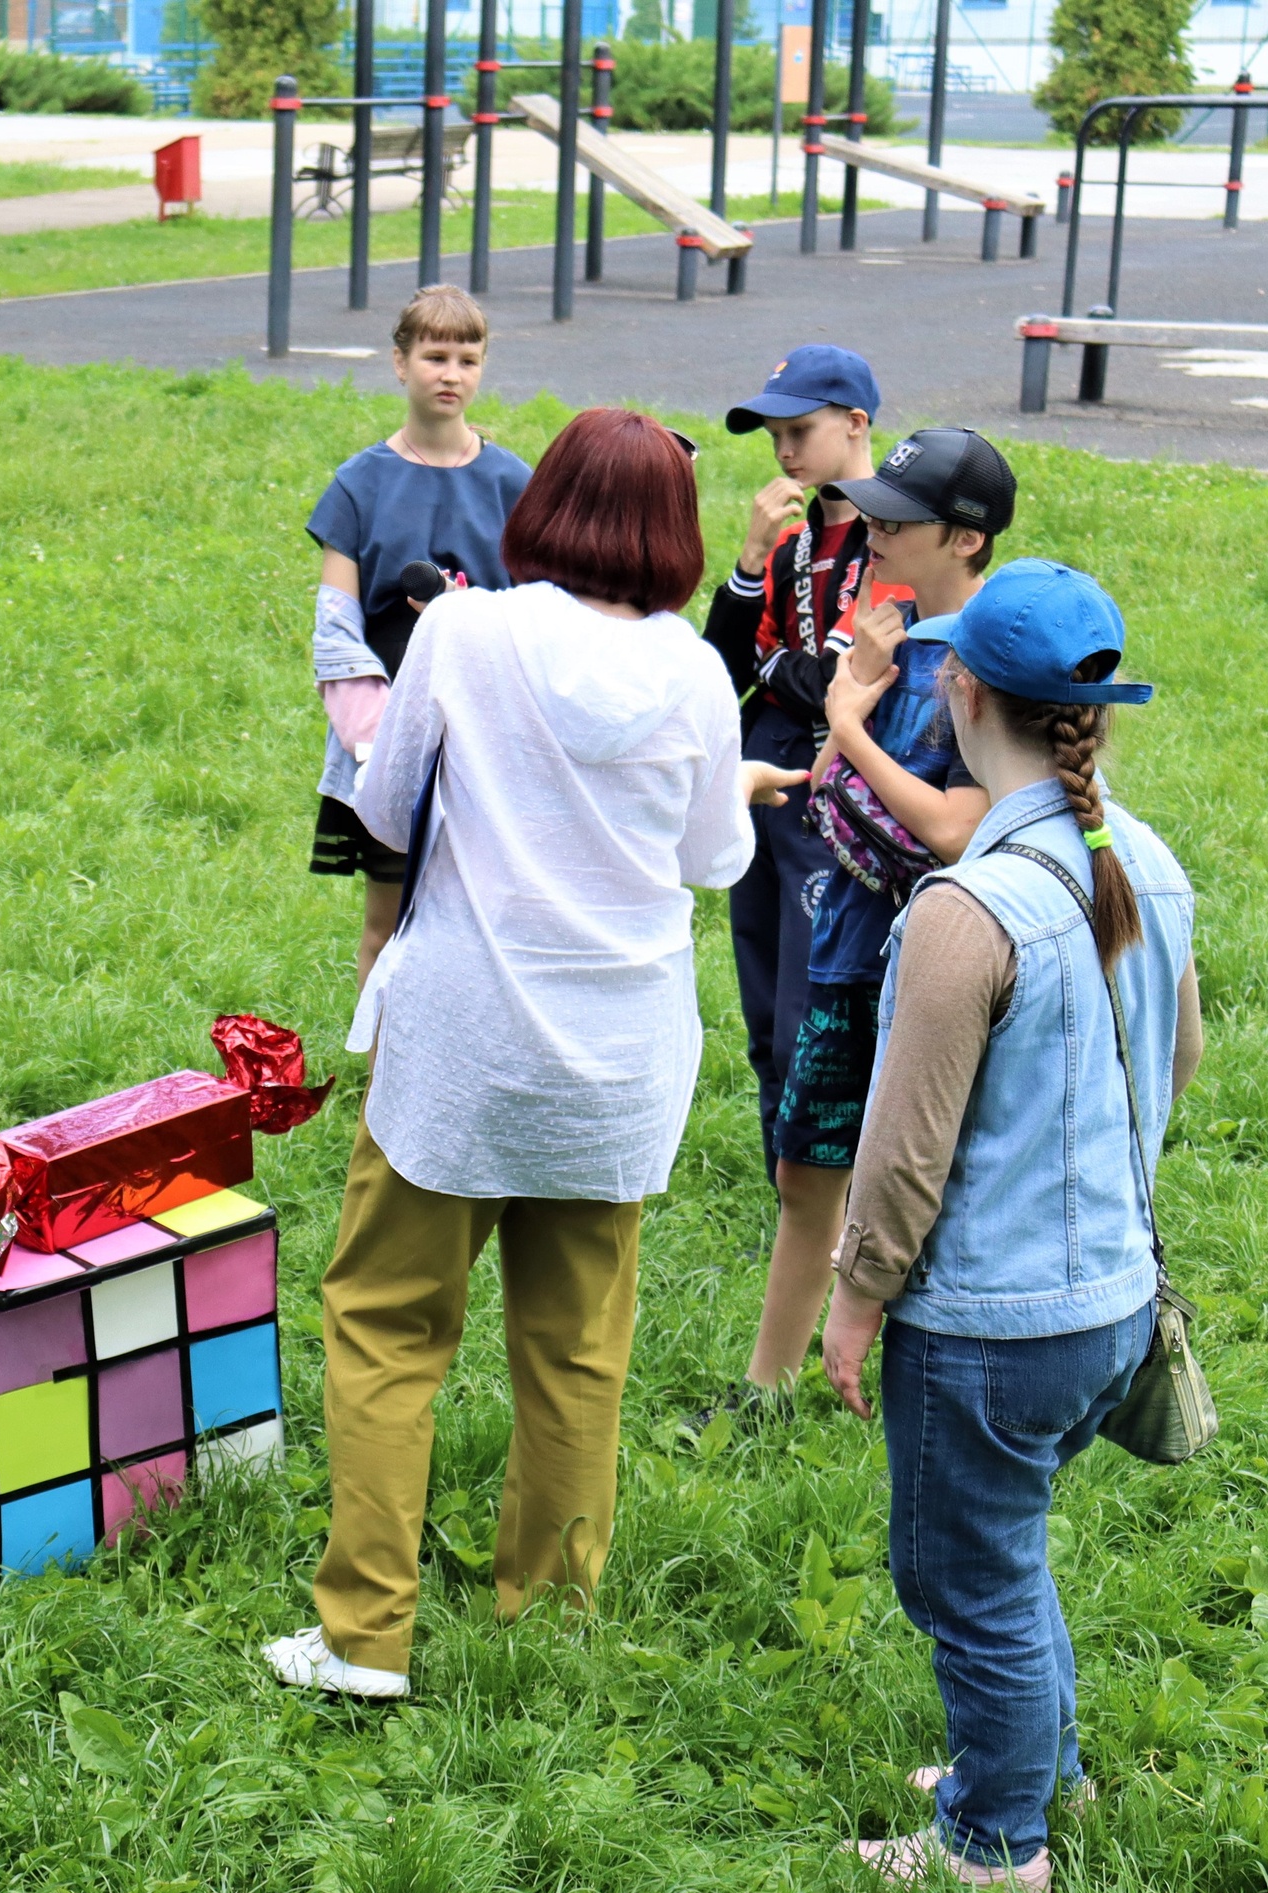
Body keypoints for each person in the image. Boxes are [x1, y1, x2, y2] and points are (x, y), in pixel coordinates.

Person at [264, 410, 807, 1700]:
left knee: (387, 1328)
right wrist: (723, 791)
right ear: (673, 537)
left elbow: (383, 804)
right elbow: (704, 861)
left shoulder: (462, 629)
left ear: (541, 507)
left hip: (459, 1043)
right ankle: (548, 1621)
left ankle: (362, 1636)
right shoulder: (685, 668)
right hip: (615, 1059)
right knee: (574, 1352)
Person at [821, 561, 1198, 1893]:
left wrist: (854, 1299)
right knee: (1008, 1546)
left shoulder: (964, 910)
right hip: (1109, 1306)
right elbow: (1181, 1053)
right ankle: (1045, 1769)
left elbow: (905, 1148)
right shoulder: (1141, 861)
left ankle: (994, 1850)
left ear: (961, 686)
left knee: (967, 1582)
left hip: (988, 1328)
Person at [712, 429, 1014, 1423]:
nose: (872, 531)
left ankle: (919, 1390)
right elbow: (839, 805)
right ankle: (764, 1393)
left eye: (897, 519)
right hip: (847, 942)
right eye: (871, 512)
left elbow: (950, 830)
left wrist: (844, 720)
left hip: (921, 963)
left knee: (916, 1181)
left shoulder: (985, 661)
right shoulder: (894, 635)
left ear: (965, 539)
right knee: (807, 1166)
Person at [695, 345, 893, 1429]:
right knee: (765, 1002)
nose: (781, 446)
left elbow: (857, 671)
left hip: (836, 787)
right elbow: (720, 664)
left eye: (798, 426)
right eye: (771, 430)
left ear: (854, 421)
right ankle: (795, 1196)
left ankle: (845, 1204)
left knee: (822, 1003)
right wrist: (745, 561)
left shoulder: (886, 530)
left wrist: (798, 675)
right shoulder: (791, 539)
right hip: (765, 778)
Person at [305, 284, 532, 992]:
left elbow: (536, 618)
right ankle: (380, 1095)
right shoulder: (358, 485)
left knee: (481, 926)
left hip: (485, 738)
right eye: (435, 356)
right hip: (388, 742)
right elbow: (337, 633)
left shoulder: (515, 485)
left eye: (468, 358)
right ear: (400, 363)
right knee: (388, 928)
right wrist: (377, 747)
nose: (451, 374)